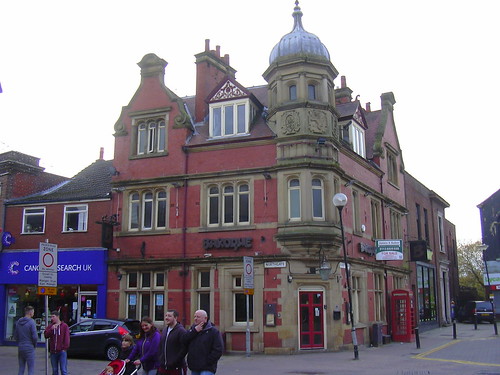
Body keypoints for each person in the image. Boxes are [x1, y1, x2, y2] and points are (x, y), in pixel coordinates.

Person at [181, 310, 223, 375]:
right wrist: (194, 331)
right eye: (194, 317)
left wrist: (208, 361)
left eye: (198, 317)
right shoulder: (192, 330)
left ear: (205, 318)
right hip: (194, 367)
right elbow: (183, 340)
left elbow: (218, 349)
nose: (195, 319)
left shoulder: (213, 331)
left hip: (207, 367)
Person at [158, 309, 187, 375]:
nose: (166, 318)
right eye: (166, 316)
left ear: (175, 318)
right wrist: (160, 359)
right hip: (163, 367)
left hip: (176, 368)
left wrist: (175, 362)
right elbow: (161, 346)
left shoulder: (181, 331)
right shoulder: (165, 330)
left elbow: (184, 349)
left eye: (169, 316)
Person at [44, 310, 70, 375]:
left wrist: (64, 348)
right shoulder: (51, 326)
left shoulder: (64, 326)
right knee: (54, 370)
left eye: (53, 316)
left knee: (63, 370)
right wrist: (51, 329)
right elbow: (46, 335)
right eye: (51, 317)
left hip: (61, 351)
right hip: (53, 351)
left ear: (57, 317)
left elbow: (66, 338)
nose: (52, 318)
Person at [14, 305, 38, 375]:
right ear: (30, 313)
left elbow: (15, 335)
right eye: (33, 312)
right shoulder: (31, 322)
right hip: (29, 347)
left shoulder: (18, 322)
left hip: (21, 346)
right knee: (30, 369)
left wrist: (20, 343)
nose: (33, 314)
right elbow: (35, 337)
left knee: (21, 368)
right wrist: (34, 345)